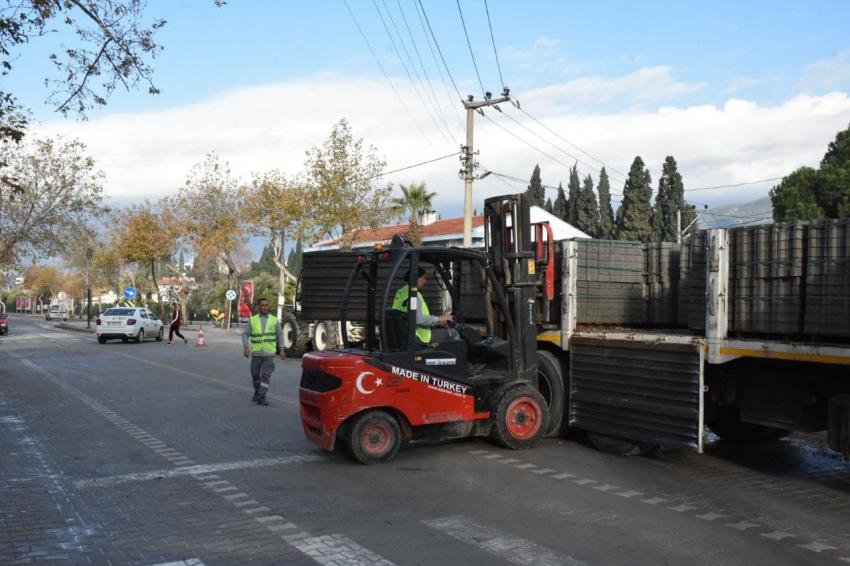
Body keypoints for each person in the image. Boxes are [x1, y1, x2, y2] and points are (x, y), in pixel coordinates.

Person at [392, 267, 456, 345]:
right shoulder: (413, 295)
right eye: (424, 278)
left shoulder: (402, 291)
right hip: (419, 336)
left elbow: (412, 316)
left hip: (405, 333)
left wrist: (437, 322)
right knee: (453, 333)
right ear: (418, 279)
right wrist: (440, 318)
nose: (425, 281)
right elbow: (418, 319)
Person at [242, 298, 284, 406]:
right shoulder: (253, 320)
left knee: (265, 376)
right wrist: (246, 347)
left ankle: (261, 396)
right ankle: (257, 392)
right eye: (262, 305)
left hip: (269, 354)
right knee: (255, 375)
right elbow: (245, 334)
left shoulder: (274, 320)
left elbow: (280, 335)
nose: (264, 307)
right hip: (256, 353)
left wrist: (282, 349)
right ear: (259, 307)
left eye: (266, 305)